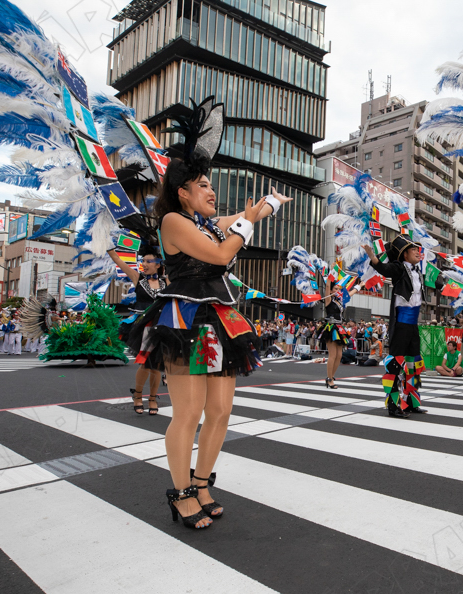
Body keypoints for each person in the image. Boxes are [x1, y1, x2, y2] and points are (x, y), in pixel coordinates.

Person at [126, 121, 287, 530]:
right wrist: (248, 223)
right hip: (186, 319)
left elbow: (244, 216)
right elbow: (219, 255)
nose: (211, 191)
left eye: (211, 185)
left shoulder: (205, 221)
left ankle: (201, 484)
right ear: (182, 192)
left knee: (219, 411)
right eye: (202, 185)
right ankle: (180, 494)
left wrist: (271, 203)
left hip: (219, 317)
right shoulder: (173, 222)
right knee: (189, 412)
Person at [364, 235, 429, 418]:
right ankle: (393, 406)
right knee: (394, 366)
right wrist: (372, 255)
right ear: (405, 255)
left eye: (418, 249)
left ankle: (411, 402)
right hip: (400, 324)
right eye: (413, 249)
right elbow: (384, 269)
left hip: (413, 325)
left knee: (413, 365)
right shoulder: (400, 269)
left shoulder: (418, 271)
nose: (417, 251)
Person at [109, 249, 166, 415]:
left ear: (158, 264)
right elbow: (117, 259)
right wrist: (108, 246)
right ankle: (138, 395)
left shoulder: (166, 282)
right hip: (142, 326)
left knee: (156, 366)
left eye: (149, 261)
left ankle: (153, 398)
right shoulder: (138, 278)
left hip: (161, 326)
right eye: (143, 261)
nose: (144, 264)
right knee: (146, 363)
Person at [318, 282, 350, 388]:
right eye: (335, 289)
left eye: (338, 289)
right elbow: (327, 286)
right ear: (331, 291)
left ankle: (332, 376)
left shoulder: (339, 301)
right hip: (331, 328)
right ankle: (329, 378)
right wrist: (330, 275)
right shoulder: (328, 300)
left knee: (339, 355)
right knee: (332, 355)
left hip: (340, 328)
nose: (337, 291)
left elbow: (350, 294)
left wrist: (360, 286)